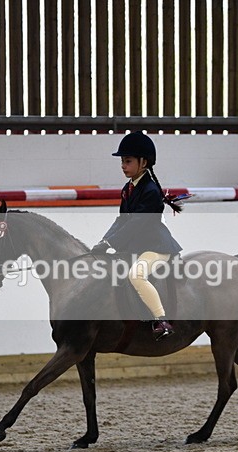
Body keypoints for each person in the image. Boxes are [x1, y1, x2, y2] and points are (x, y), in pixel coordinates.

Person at [91, 132, 184, 341]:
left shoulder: (150, 190)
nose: (123, 166)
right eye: (122, 162)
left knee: (136, 275)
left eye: (128, 161)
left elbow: (137, 223)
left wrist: (111, 242)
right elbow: (122, 220)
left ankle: (161, 320)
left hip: (156, 247)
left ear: (143, 162)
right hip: (137, 246)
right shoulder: (128, 188)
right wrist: (103, 242)